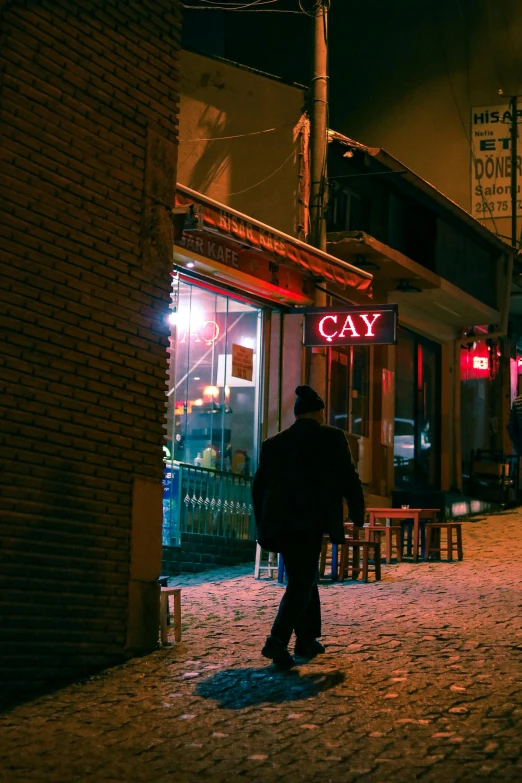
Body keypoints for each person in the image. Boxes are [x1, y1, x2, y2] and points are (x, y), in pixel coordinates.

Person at [252, 384, 365, 668]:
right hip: (310, 520)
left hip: (280, 522)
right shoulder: (331, 437)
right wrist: (357, 512)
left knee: (303, 577)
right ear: (319, 412)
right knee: (302, 581)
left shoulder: (274, 443)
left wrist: (262, 522)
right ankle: (277, 640)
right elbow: (348, 477)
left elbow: (259, 486)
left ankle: (306, 640)